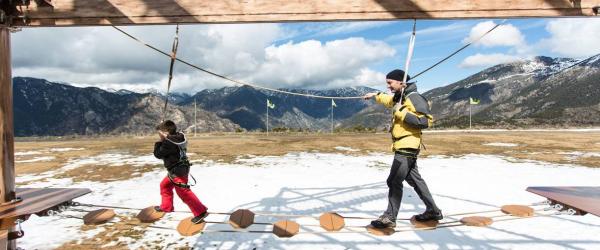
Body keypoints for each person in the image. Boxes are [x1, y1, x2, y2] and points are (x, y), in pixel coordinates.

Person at [363, 69, 442, 229]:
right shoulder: (402, 97)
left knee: (393, 181)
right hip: (406, 146)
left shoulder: (414, 97)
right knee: (415, 180)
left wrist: (402, 113)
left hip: (407, 147)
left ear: (401, 82)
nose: (388, 86)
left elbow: (426, 121)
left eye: (390, 83)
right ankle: (433, 211)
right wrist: (375, 95)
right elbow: (390, 101)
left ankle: (389, 218)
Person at [154, 120, 208, 224]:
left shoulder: (168, 143)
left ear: (166, 133)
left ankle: (201, 212)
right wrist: (163, 132)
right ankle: (166, 206)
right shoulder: (178, 137)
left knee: (184, 193)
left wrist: (160, 140)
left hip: (177, 172)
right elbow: (168, 134)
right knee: (164, 185)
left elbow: (158, 154)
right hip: (178, 169)